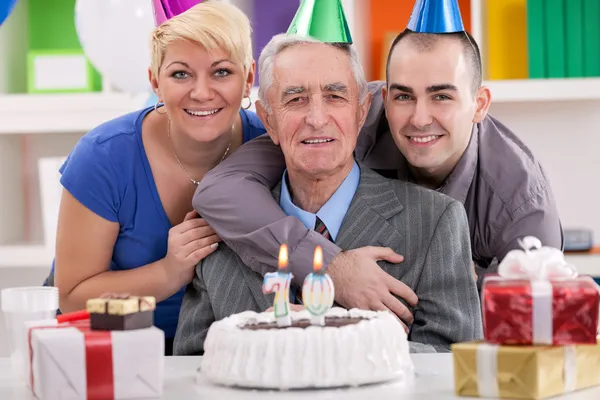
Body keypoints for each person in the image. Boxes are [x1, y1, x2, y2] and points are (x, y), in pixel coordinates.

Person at [190, 9, 563, 324]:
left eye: (442, 96)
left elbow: (525, 332)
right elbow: (220, 190)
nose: (419, 118)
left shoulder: (522, 205)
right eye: (403, 95)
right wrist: (334, 268)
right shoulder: (342, 124)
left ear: (479, 104)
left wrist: (450, 278)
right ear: (378, 98)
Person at [173, 33, 483, 356]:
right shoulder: (222, 235)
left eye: (335, 97)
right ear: (269, 122)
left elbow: (454, 362)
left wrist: (337, 344)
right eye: (296, 99)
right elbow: (190, 367)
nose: (317, 119)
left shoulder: (436, 222)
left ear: (362, 112)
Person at [46, 1, 266, 355]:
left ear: (248, 79)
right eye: (181, 74)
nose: (202, 92)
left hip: (233, 354)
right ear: (155, 82)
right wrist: (168, 273)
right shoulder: (104, 156)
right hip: (116, 352)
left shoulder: (271, 147)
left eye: (221, 72)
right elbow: (71, 297)